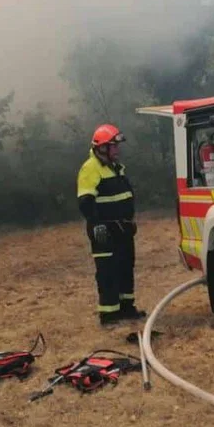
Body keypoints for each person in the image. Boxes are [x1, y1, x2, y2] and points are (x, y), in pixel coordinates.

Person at [77, 124, 145, 325]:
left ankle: (126, 308)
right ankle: (109, 314)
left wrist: (129, 221)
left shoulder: (116, 168)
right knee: (108, 272)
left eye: (117, 146)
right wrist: (96, 224)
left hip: (122, 229)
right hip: (104, 231)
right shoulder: (90, 169)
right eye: (113, 146)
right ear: (102, 148)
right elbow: (85, 201)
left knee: (126, 267)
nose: (117, 150)